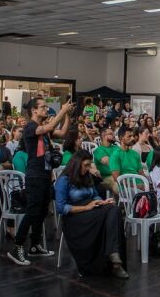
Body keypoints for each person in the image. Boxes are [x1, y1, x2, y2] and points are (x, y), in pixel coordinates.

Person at [7, 97, 75, 266]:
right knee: (32, 211)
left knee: (42, 211)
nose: (46, 109)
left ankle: (35, 245)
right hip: (34, 175)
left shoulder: (43, 131)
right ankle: (17, 246)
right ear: (34, 111)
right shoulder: (30, 126)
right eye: (43, 107)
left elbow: (62, 133)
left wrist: (68, 116)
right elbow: (51, 126)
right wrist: (63, 110)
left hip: (45, 174)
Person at [55, 151, 128, 279]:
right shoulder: (64, 180)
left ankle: (113, 254)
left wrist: (102, 201)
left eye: (90, 165)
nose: (89, 168)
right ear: (77, 164)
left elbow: (94, 195)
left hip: (92, 210)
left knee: (113, 209)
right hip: (75, 216)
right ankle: (114, 257)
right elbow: (61, 208)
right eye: (86, 165)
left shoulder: (87, 177)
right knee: (113, 211)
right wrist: (86, 207)